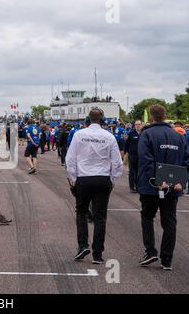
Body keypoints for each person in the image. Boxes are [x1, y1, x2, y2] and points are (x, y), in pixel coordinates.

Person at [66, 108, 123, 264]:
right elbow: (118, 163)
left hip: (84, 178)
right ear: (103, 119)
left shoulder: (79, 135)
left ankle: (82, 245)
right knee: (100, 217)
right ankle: (98, 254)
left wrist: (73, 178)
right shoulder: (109, 136)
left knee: (81, 212)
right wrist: (112, 181)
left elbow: (70, 159)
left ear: (87, 119)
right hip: (102, 178)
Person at [137, 105, 189, 271]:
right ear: (165, 116)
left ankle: (151, 251)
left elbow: (145, 159)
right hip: (173, 187)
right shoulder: (178, 136)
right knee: (169, 222)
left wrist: (157, 179)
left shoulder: (147, 134)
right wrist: (181, 181)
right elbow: (186, 161)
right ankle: (167, 259)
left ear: (152, 117)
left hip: (151, 186)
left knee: (147, 217)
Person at [124, 120, 143, 193]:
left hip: (140, 156)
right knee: (132, 171)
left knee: (139, 172)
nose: (137, 126)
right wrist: (126, 152)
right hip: (132, 155)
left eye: (139, 124)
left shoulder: (143, 133)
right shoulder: (131, 133)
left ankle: (138, 187)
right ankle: (132, 187)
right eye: (136, 124)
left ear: (141, 125)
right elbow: (127, 144)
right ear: (134, 125)